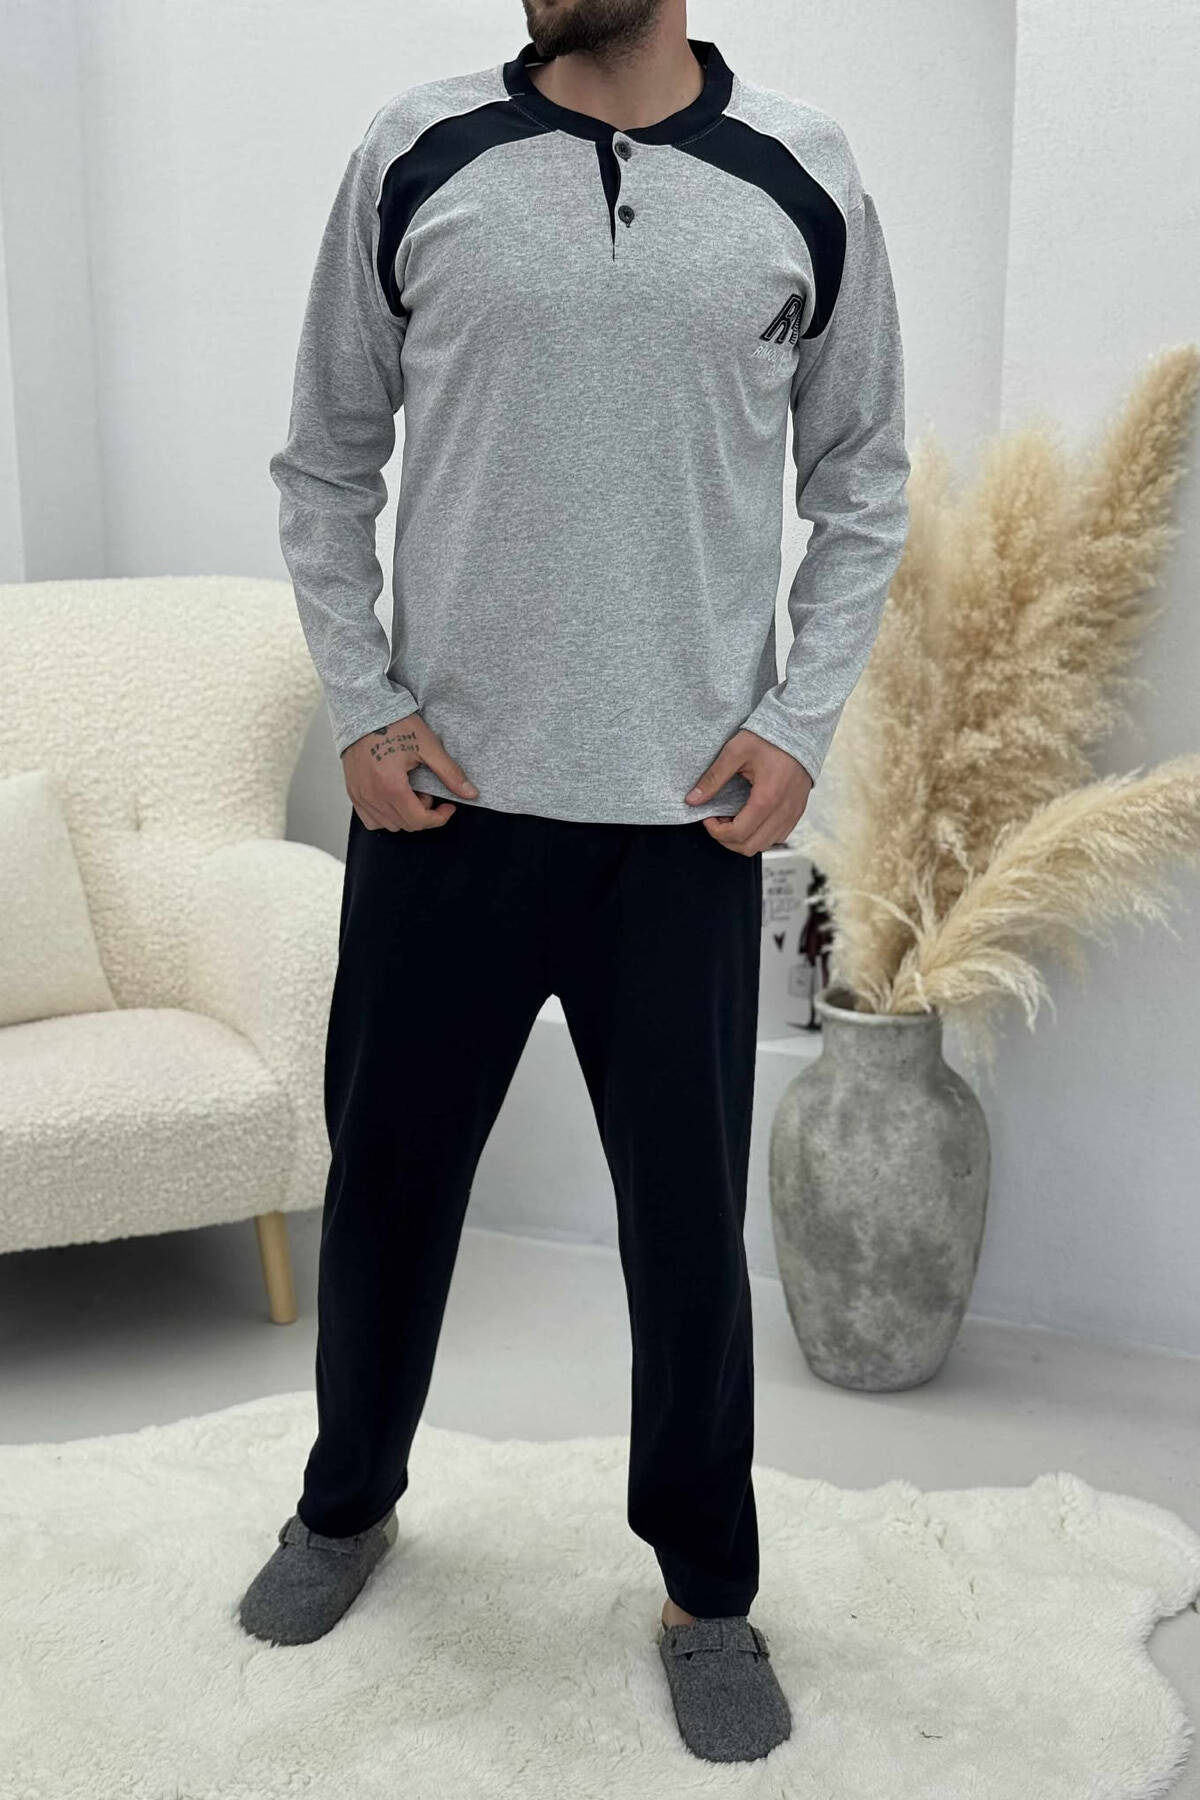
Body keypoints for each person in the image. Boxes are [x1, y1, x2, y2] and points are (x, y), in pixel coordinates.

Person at [238, 0, 909, 1766]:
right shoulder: (417, 152)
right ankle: (345, 1503)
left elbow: (863, 479)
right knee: (388, 1195)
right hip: (442, 806)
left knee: (687, 1238)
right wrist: (362, 706)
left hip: (687, 825)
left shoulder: (801, 173)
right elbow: (324, 458)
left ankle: (708, 1591)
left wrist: (799, 723)